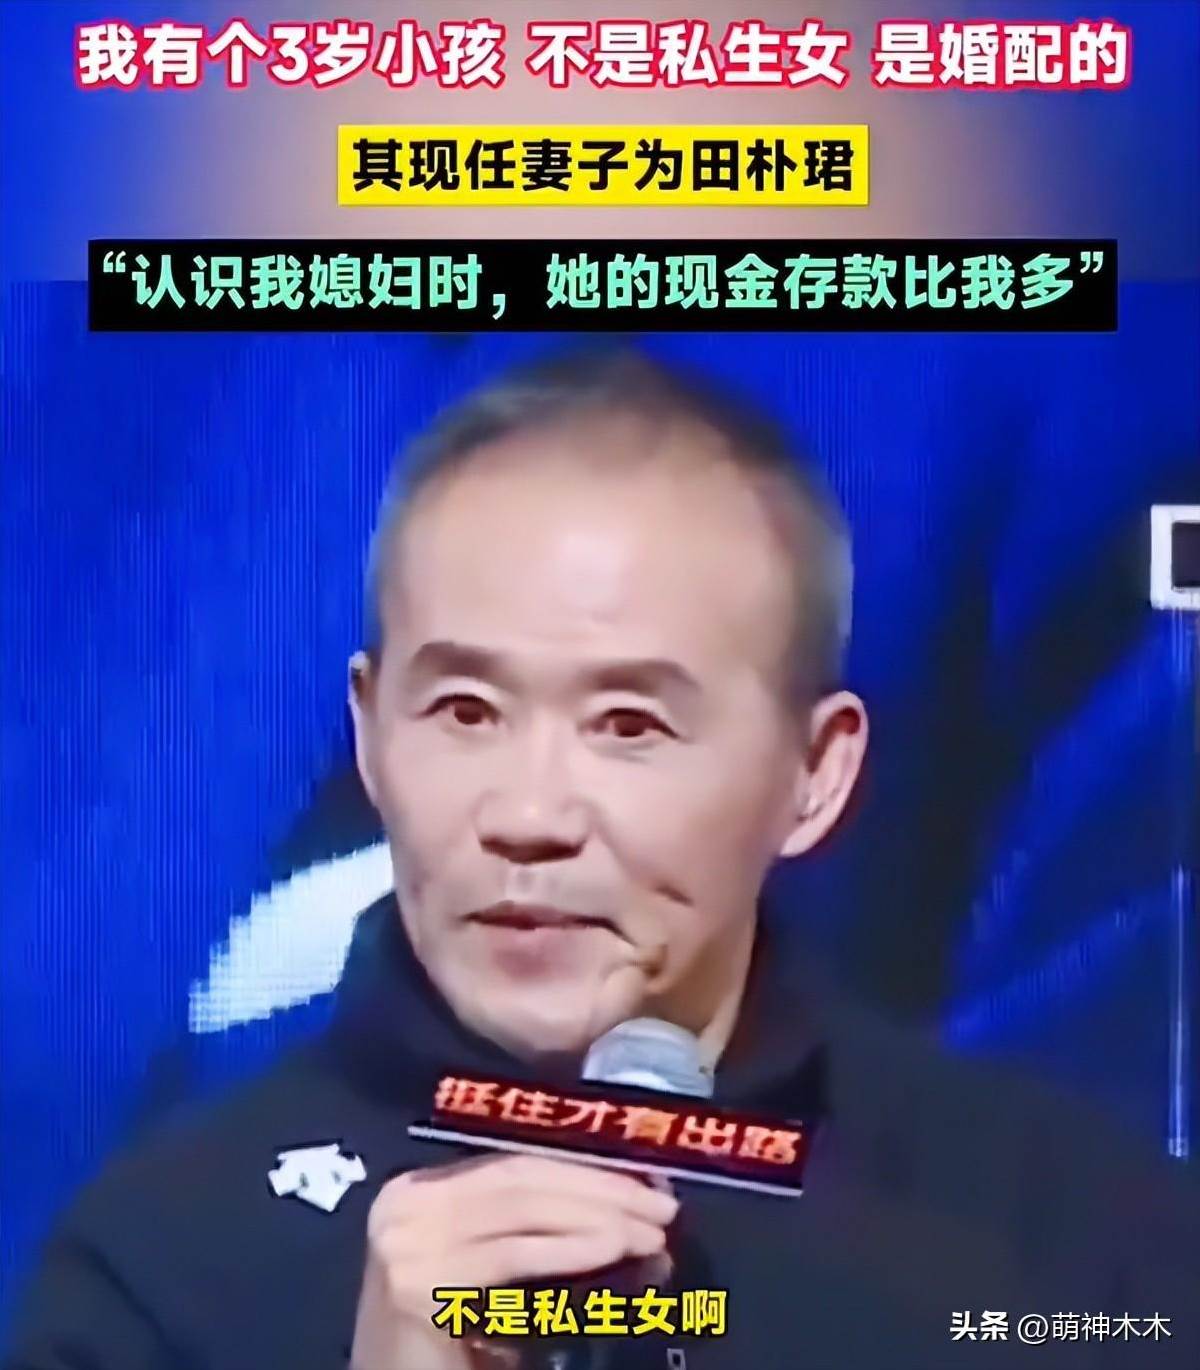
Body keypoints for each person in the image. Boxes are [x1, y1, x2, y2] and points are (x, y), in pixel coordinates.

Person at [5, 349, 1198, 1370]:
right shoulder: (158, 1271)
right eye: (466, 710)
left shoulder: (1073, 1236)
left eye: (629, 725)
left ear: (815, 772)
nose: (529, 813)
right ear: (369, 736)